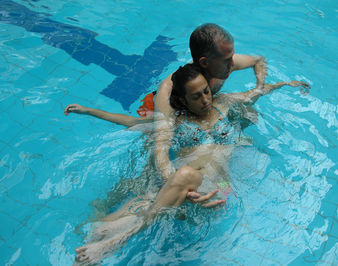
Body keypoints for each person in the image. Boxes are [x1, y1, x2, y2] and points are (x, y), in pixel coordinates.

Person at [74, 64, 309, 264]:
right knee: (99, 230)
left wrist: (287, 84)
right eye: (196, 96)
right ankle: (94, 252)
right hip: (178, 189)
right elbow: (133, 122)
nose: (205, 100)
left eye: (206, 92)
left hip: (218, 187)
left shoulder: (225, 103)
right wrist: (88, 111)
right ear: (183, 99)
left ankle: (121, 240)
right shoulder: (175, 120)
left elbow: (257, 92)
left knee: (183, 174)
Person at [65, 23, 267, 205]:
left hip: (197, 116)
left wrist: (259, 86)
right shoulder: (168, 95)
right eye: (227, 60)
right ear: (205, 62)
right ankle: (106, 204)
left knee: (234, 128)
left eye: (232, 57)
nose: (233, 64)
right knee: (149, 174)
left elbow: (258, 60)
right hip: (161, 110)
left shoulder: (222, 65)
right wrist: (177, 187)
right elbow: (160, 149)